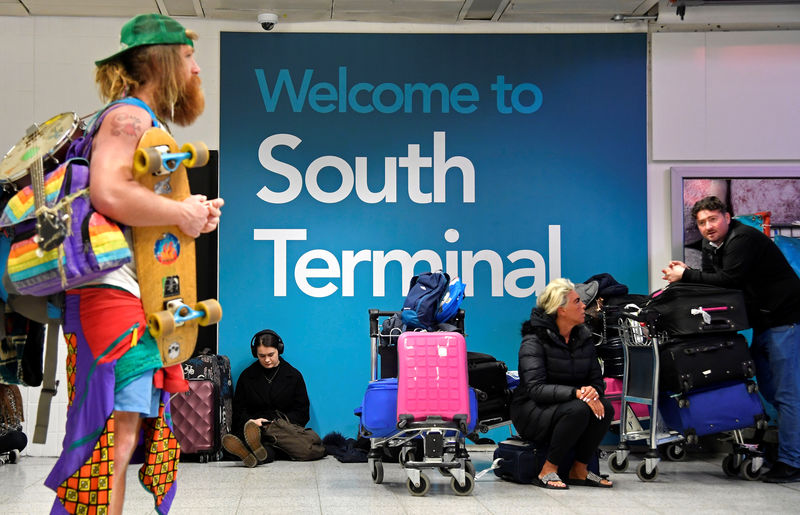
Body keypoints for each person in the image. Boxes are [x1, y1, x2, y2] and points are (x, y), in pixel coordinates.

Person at [44, 13, 223, 515]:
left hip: (126, 297)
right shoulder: (129, 118)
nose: (196, 69)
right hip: (113, 300)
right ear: (163, 62)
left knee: (121, 442)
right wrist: (180, 211)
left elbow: (135, 214)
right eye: (188, 57)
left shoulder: (138, 120)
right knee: (110, 442)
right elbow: (108, 190)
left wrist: (192, 216)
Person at [662, 195, 800, 483]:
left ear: (727, 217)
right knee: (771, 391)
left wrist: (686, 274)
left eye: (713, 219)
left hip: (786, 322)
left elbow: (729, 280)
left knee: (787, 395)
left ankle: (792, 462)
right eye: (702, 223)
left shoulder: (742, 239)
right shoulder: (714, 247)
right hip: (764, 324)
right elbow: (718, 288)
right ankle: (789, 448)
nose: (708, 227)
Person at [510, 278, 613, 489]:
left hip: (569, 405)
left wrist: (592, 391)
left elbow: (596, 380)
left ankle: (580, 469)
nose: (584, 305)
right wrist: (577, 393)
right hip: (532, 410)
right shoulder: (534, 341)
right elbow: (536, 389)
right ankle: (548, 469)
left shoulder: (584, 339)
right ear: (561, 310)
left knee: (606, 409)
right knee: (578, 410)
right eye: (577, 302)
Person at [222, 329, 311, 467]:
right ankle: (257, 452)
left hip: (282, 430)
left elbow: (302, 411)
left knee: (277, 445)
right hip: (253, 428)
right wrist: (252, 422)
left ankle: (253, 453)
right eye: (261, 356)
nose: (267, 360)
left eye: (271, 354)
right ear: (255, 354)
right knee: (243, 441)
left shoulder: (293, 376)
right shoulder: (247, 376)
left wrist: (275, 424)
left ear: (279, 350)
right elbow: (238, 409)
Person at [0, 384, 27, 461]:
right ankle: (7, 456)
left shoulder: (11, 389)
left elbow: (15, 425)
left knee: (20, 438)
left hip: (7, 436)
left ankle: (6, 455)